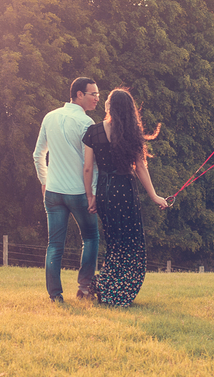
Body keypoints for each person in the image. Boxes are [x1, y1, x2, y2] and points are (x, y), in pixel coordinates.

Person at [82, 87, 168, 307]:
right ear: (130, 110)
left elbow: (88, 169)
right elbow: (140, 167)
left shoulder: (94, 131)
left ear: (109, 106)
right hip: (125, 191)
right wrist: (155, 196)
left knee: (113, 243)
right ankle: (117, 292)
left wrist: (90, 196)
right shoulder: (132, 135)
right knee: (129, 244)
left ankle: (103, 286)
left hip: (104, 191)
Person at [33, 77, 101, 302]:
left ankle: (55, 296)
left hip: (53, 192)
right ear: (79, 94)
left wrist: (44, 182)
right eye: (93, 94)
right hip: (78, 193)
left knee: (54, 245)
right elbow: (90, 165)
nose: (97, 98)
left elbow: (38, 154)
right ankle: (83, 289)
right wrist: (92, 194)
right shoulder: (86, 124)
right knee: (91, 237)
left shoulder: (50, 117)